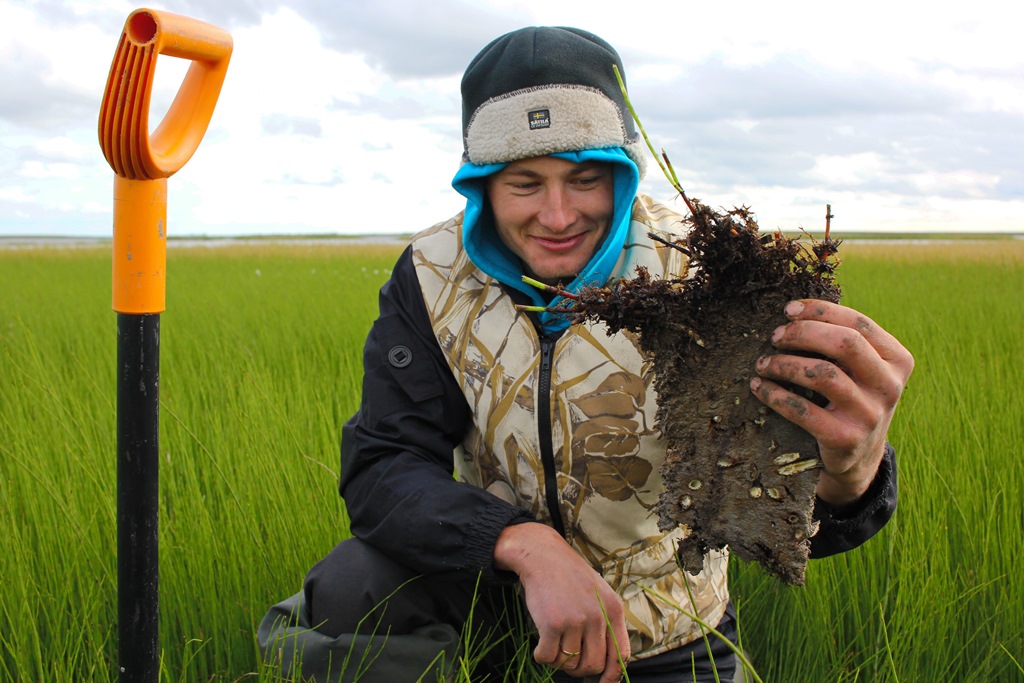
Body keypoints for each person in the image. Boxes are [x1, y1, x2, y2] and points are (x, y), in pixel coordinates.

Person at [259, 26, 914, 683]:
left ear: (624, 174)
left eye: (585, 178)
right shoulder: (433, 275)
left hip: (664, 637)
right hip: (503, 610)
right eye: (524, 183)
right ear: (480, 185)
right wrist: (525, 544)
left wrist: (850, 475)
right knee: (353, 585)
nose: (557, 213)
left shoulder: (702, 272)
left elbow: (778, 519)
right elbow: (385, 464)